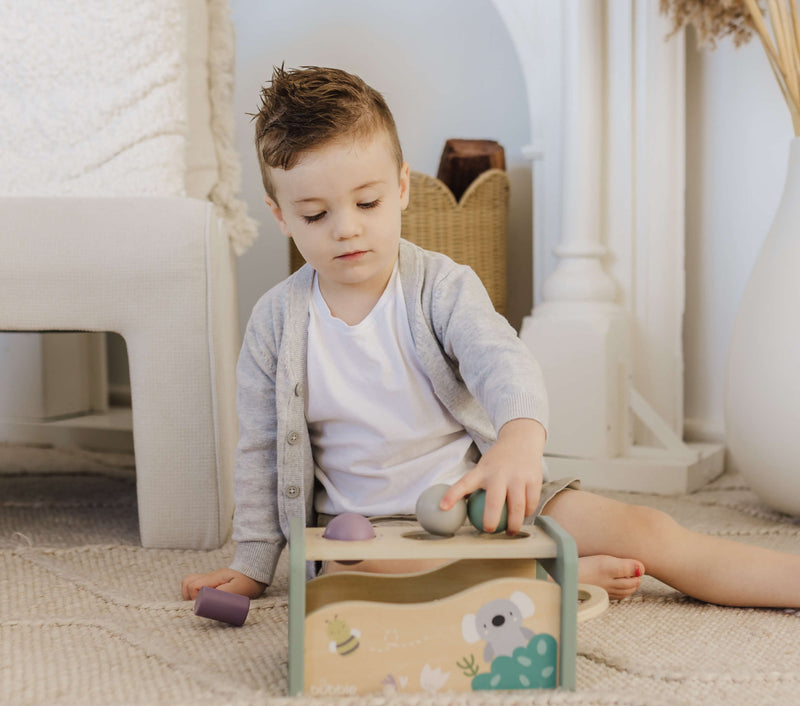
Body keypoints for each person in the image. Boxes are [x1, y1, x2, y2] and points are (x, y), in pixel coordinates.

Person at [182, 65, 800, 608]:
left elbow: (501, 361)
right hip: (368, 533)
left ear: (401, 187)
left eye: (367, 202)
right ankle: (546, 576)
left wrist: (518, 442)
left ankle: (782, 580)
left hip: (486, 492)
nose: (347, 230)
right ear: (280, 214)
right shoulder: (276, 323)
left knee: (650, 529)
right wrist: (251, 565)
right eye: (316, 215)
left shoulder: (441, 286)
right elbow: (261, 451)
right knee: (358, 587)